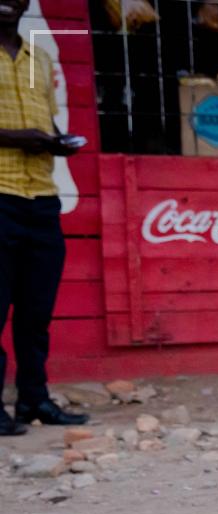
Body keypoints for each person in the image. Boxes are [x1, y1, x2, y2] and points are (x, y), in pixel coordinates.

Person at [0, 0, 87, 435]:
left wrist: (56, 142)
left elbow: (46, 121)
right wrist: (20, 138)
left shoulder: (40, 56)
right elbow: (23, 131)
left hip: (42, 198)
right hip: (0, 193)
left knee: (37, 312)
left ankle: (34, 399)